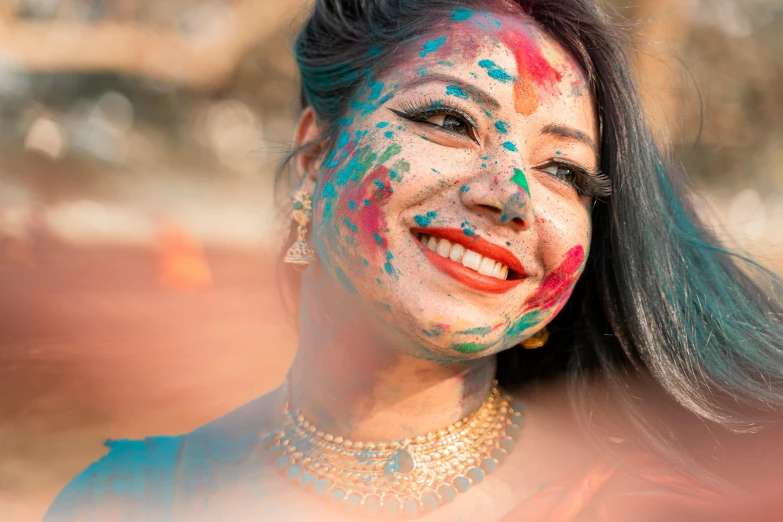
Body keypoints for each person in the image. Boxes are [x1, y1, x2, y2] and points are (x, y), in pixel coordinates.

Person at [44, 0, 783, 520]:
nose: (510, 196)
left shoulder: (639, 509)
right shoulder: (128, 502)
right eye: (448, 120)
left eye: (563, 170)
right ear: (311, 157)